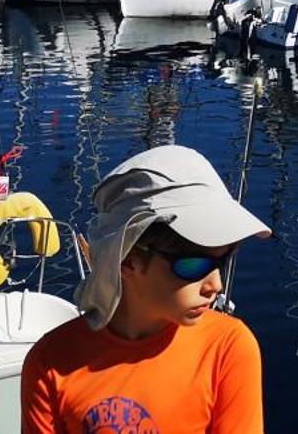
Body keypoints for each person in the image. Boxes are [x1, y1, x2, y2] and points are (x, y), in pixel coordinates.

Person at [22, 145, 271, 434]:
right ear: (128, 261)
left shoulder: (229, 348)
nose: (216, 284)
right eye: (192, 266)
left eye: (223, 260)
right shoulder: (50, 363)